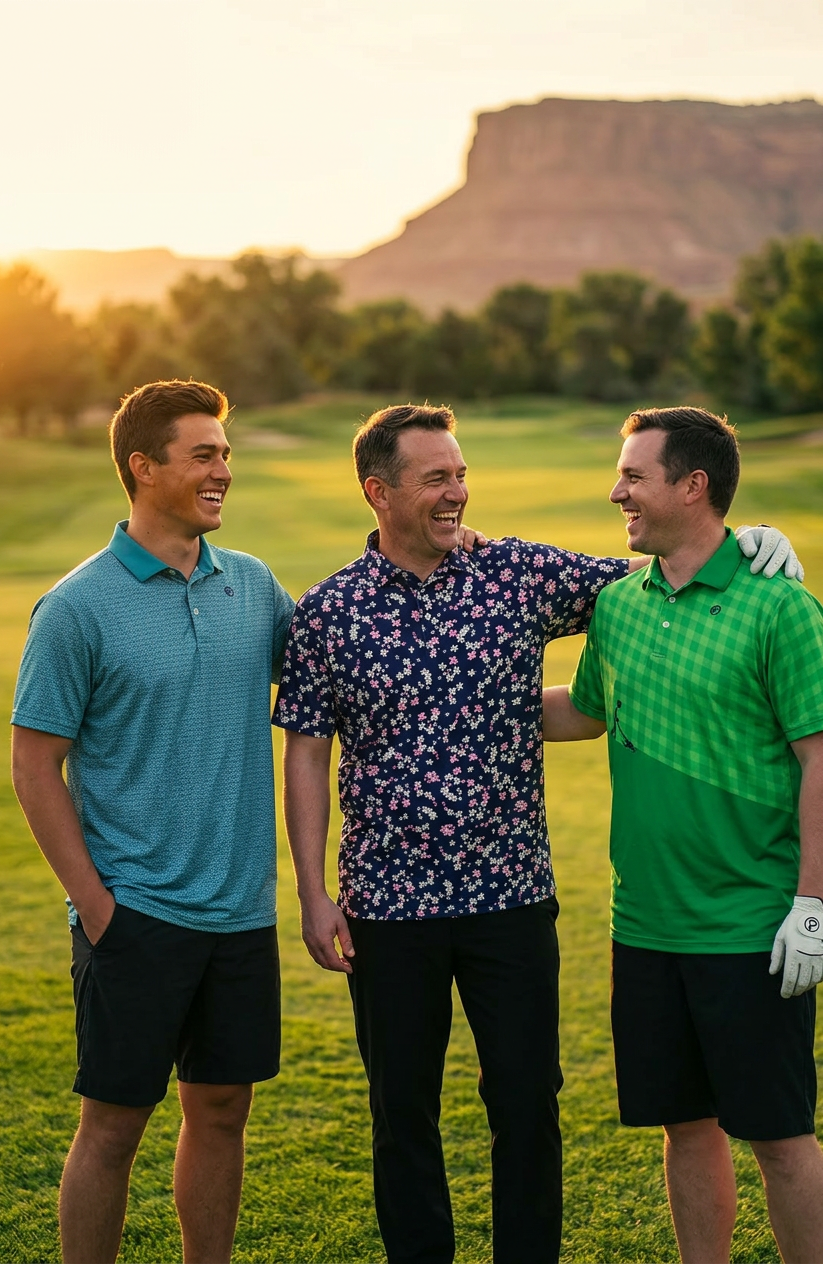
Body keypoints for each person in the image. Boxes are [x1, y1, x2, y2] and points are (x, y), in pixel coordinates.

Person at [271, 402, 797, 1264]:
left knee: (526, 1103)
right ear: (379, 490)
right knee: (400, 1110)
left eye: (461, 474)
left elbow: (659, 567)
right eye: (436, 478)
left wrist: (749, 541)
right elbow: (305, 755)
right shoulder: (328, 612)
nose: (458, 492)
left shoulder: (514, 574)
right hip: (386, 904)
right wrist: (312, 892)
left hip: (510, 899)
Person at [11, 380, 294, 1264]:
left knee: (221, 1110)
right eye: (203, 454)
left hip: (241, 914)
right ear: (144, 466)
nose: (223, 471)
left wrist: (457, 548)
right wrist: (96, 905)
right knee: (113, 1126)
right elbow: (33, 764)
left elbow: (349, 663)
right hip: (134, 914)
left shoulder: (251, 584)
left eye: (225, 453)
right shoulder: (76, 608)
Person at [542, 406, 823, 1264]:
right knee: (683, 1126)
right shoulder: (617, 606)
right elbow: (582, 714)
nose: (615, 490)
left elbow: (820, 759)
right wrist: (449, 704)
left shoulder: (782, 609)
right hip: (646, 926)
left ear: (691, 485)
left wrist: (811, 905)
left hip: (752, 927)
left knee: (779, 1139)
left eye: (633, 475)